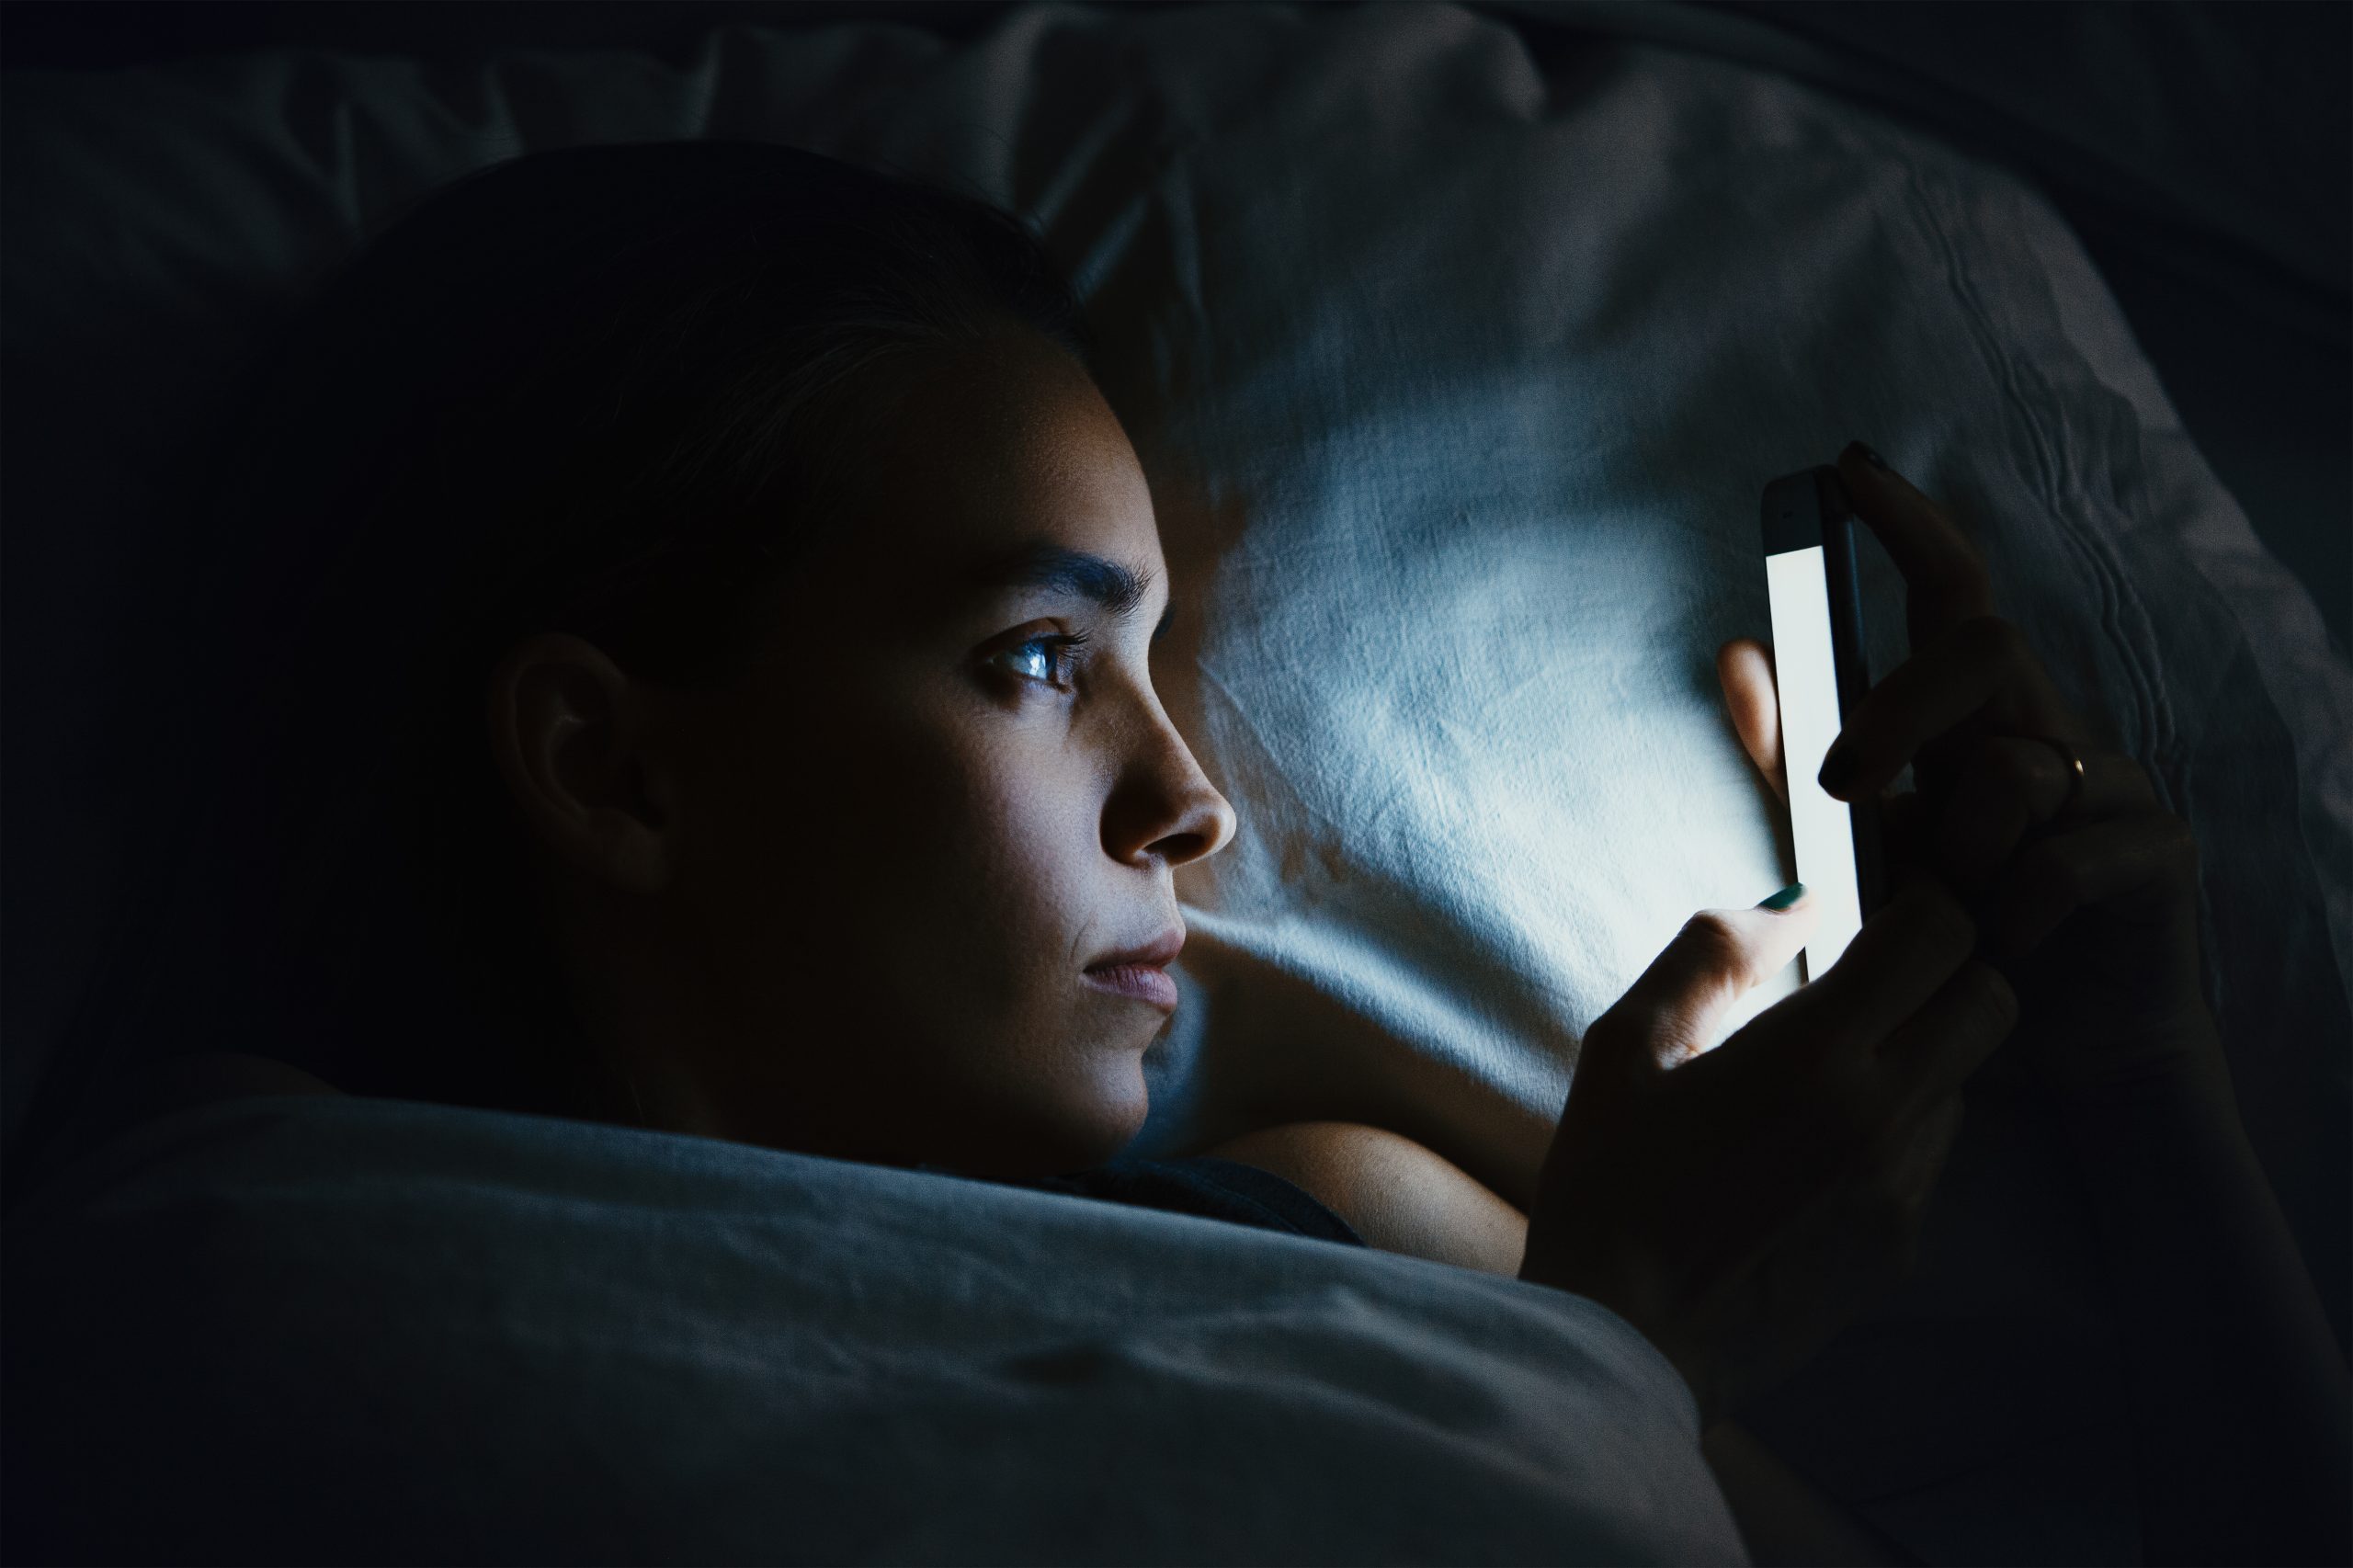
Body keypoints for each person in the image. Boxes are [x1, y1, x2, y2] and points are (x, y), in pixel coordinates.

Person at [24, 142, 2348, 1564]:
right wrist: (1624, 1349)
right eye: (1039, 658)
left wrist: (2148, 1100)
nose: (1192, 799)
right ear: (612, 769)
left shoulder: (1366, 1232)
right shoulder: (220, 1302)